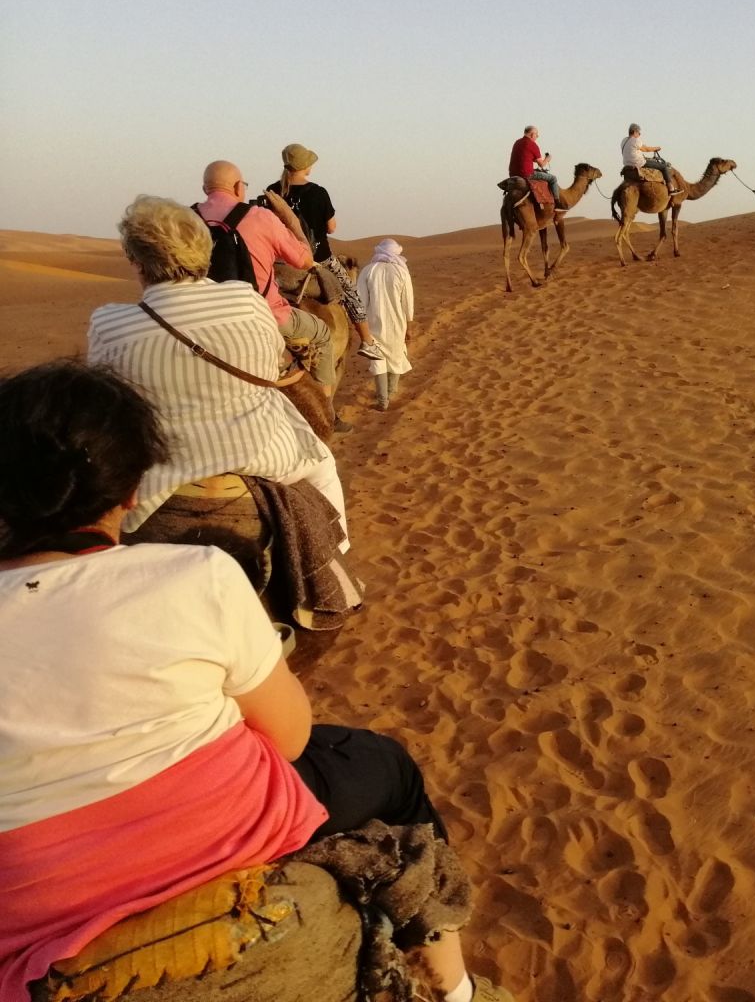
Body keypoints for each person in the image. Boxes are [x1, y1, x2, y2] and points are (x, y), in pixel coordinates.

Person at [0, 361, 510, 1002]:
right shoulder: (194, 573)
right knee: (386, 768)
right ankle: (454, 988)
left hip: (27, 895)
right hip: (227, 833)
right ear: (132, 491)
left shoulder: (115, 322)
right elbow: (291, 738)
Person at [87, 196, 349, 547]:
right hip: (264, 456)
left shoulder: (107, 323)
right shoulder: (247, 300)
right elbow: (271, 363)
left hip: (155, 482)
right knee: (324, 468)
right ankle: (336, 562)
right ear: (204, 251)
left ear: (135, 260)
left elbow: (106, 399)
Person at [194, 160, 337, 399]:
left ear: (205, 189)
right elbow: (304, 259)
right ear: (239, 187)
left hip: (200, 317)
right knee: (322, 334)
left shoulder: (185, 221)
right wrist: (289, 218)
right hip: (264, 315)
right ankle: (326, 413)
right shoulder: (260, 217)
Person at [270, 144, 382, 361]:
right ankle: (367, 342)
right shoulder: (318, 193)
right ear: (307, 167)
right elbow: (331, 228)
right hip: (318, 259)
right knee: (350, 293)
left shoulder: (273, 190)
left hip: (281, 260)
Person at [356, 240, 414, 412]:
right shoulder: (402, 271)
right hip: (398, 323)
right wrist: (409, 326)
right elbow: (408, 302)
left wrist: (360, 326)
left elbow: (360, 301)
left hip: (373, 323)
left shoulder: (368, 270)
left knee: (378, 360)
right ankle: (390, 392)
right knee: (396, 355)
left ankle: (383, 400)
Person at [508, 125, 562, 207]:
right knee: (553, 178)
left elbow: (525, 156)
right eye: (536, 134)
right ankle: (558, 203)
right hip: (526, 174)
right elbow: (542, 164)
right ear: (532, 134)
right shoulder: (532, 144)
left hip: (513, 174)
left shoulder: (517, 142)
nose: (537, 136)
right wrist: (547, 158)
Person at [620, 123, 679, 195]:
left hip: (627, 164)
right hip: (638, 163)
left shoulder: (624, 140)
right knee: (664, 167)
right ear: (635, 132)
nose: (639, 135)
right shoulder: (635, 141)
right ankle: (671, 188)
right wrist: (656, 148)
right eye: (639, 133)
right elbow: (646, 149)